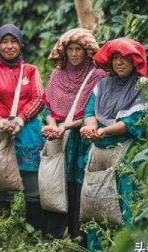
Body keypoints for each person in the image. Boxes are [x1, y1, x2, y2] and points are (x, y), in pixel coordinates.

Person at [79, 37, 148, 251]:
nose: (119, 62)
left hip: (127, 153)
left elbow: (132, 123)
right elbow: (90, 112)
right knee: (94, 206)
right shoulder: (102, 84)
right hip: (98, 150)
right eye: (115, 57)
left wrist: (102, 131)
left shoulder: (143, 86)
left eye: (125, 58)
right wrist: (89, 127)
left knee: (127, 205)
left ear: (135, 61)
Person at [0, 24, 44, 230]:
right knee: (1, 182)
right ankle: (3, 230)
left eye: (14, 41)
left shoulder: (30, 70)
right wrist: (0, 120)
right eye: (4, 41)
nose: (9, 46)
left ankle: (34, 231)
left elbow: (39, 98)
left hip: (28, 130)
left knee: (32, 184)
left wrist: (21, 118)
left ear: (21, 44)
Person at [41, 28, 106, 240]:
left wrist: (66, 127)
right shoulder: (57, 74)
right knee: (55, 182)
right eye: (71, 49)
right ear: (64, 51)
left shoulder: (97, 76)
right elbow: (48, 107)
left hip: (83, 138)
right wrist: (53, 124)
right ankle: (57, 235)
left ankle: (80, 236)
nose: (75, 54)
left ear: (88, 51)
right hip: (58, 137)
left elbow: (93, 111)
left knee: (79, 183)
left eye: (79, 49)